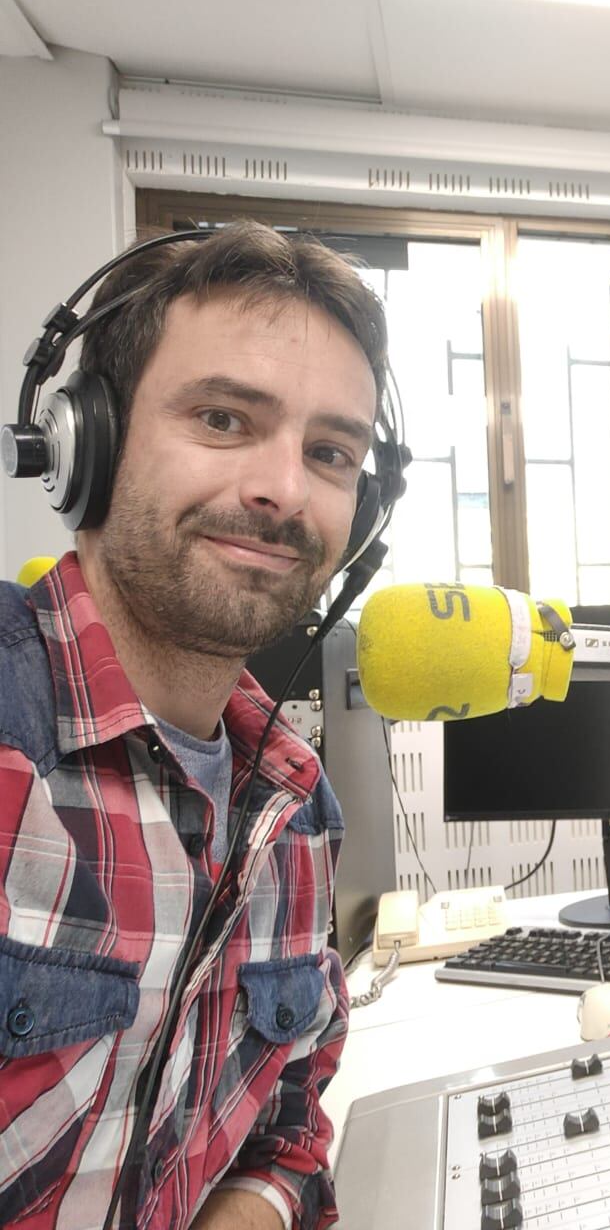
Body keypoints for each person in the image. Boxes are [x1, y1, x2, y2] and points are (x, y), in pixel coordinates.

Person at [0, 222, 388, 1228]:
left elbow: (286, 1141)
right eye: (223, 417)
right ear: (84, 440)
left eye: (331, 451)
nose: (284, 489)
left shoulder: (296, 813)